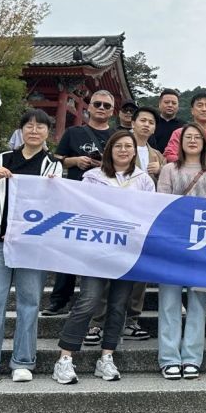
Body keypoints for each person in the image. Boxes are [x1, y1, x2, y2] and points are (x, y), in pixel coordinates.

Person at [52, 131, 155, 384]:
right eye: (118, 146)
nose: (123, 150)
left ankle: (107, 356)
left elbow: (150, 213)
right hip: (96, 251)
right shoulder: (93, 177)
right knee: (88, 301)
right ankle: (65, 358)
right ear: (109, 149)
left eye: (128, 146)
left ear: (135, 151)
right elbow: (79, 207)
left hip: (127, 252)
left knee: (119, 305)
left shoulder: (144, 180)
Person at [0, 109, 62, 384]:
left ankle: (23, 360)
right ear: (21, 130)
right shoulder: (2, 158)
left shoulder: (52, 165)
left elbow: (57, 203)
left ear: (48, 133)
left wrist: (55, 188)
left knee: (30, 302)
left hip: (32, 243)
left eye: (40, 126)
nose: (34, 130)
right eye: (29, 126)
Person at [156, 123, 206, 380]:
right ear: (180, 142)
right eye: (188, 137)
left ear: (205, 143)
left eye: (198, 137)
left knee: (198, 303)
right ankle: (169, 358)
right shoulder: (169, 169)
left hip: (203, 244)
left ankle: (192, 357)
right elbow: (160, 204)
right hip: (173, 242)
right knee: (169, 302)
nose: (193, 141)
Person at [42, 90, 116, 317]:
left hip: (105, 201)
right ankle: (59, 299)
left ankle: (95, 303)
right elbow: (56, 159)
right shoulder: (73, 133)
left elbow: (125, 164)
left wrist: (104, 165)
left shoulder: (117, 136)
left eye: (106, 105)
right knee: (68, 249)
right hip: (75, 196)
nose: (101, 108)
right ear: (89, 107)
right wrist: (74, 160)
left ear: (112, 111)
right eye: (97, 104)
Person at [164, 94, 206, 174]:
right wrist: (192, 164)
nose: (204, 109)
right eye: (200, 106)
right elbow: (169, 156)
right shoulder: (179, 133)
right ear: (192, 110)